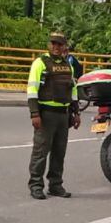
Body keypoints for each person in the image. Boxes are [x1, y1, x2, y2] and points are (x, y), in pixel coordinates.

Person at [27, 32, 81, 200]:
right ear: (49, 45)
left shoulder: (68, 65)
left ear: (64, 46)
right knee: (40, 152)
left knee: (59, 152)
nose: (56, 47)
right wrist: (34, 113)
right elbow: (32, 89)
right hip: (46, 114)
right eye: (53, 44)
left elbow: (73, 90)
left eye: (59, 44)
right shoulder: (40, 63)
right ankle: (36, 185)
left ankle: (55, 185)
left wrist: (76, 112)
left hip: (63, 115)